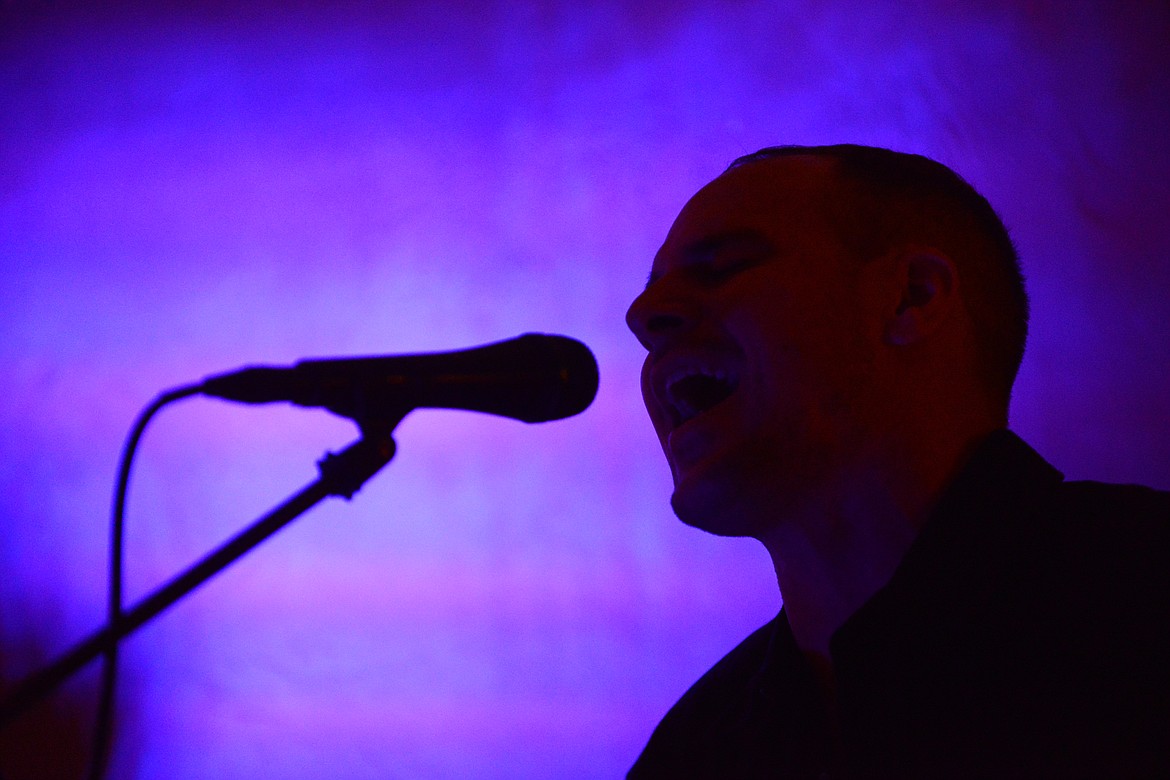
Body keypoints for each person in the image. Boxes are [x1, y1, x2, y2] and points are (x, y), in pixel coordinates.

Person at [624, 145, 1169, 778]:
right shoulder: (698, 752)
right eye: (653, 296)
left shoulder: (1143, 599)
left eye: (722, 267)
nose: (644, 317)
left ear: (912, 297)